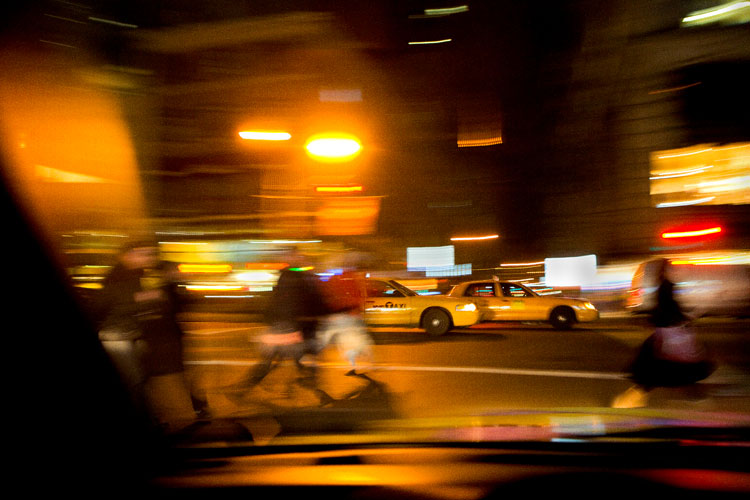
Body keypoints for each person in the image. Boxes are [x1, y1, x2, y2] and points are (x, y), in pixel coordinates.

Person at [96, 241, 197, 429]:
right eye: (143, 254)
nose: (148, 258)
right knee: (136, 381)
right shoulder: (116, 277)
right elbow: (102, 306)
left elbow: (168, 303)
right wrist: (143, 300)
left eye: (151, 254)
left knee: (144, 381)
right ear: (127, 256)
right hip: (118, 338)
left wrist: (172, 285)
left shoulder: (148, 276)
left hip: (143, 338)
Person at [612, 258, 715, 408]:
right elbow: (667, 308)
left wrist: (684, 318)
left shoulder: (664, 285)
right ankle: (693, 396)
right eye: (672, 268)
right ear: (666, 271)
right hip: (670, 331)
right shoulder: (666, 287)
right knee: (678, 366)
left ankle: (630, 399)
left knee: (665, 368)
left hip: (667, 331)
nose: (676, 271)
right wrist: (685, 319)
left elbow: (665, 308)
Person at [232, 248, 330, 393]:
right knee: (297, 358)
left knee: (275, 359)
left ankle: (245, 388)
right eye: (296, 256)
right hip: (290, 327)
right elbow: (306, 302)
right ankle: (315, 390)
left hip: (286, 325)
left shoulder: (290, 276)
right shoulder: (298, 277)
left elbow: (278, 301)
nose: (298, 259)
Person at [318, 258, 373, 375]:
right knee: (353, 341)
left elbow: (330, 296)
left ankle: (359, 363)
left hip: (343, 316)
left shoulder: (336, 279)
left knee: (346, 343)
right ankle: (361, 361)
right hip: (351, 315)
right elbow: (360, 296)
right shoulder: (354, 279)